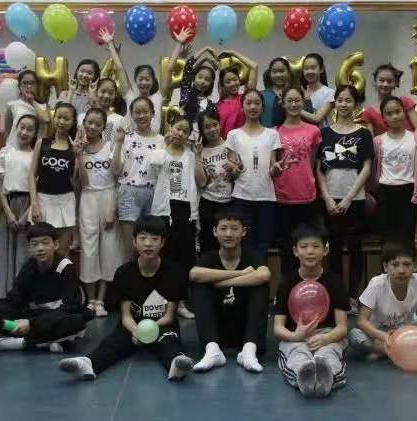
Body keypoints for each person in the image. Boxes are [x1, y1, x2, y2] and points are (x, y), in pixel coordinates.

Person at [58, 215, 194, 382]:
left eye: (154, 239)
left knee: (170, 341)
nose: (148, 243)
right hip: (132, 327)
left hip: (162, 326)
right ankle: (87, 363)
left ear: (162, 242)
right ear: (134, 241)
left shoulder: (174, 273)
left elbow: (169, 316)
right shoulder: (124, 273)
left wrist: (149, 331)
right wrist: (137, 331)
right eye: (143, 238)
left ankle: (177, 365)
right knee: (113, 342)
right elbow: (126, 316)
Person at [0, 222, 93, 352]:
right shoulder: (29, 267)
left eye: (45, 243)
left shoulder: (65, 268)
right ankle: (53, 342)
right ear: (29, 248)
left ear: (56, 245)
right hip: (36, 317)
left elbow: (70, 309)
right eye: (35, 244)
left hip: (60, 317)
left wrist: (32, 324)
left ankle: (22, 343)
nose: (40, 248)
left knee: (77, 321)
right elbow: (14, 300)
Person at [190, 210, 270, 373]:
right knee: (200, 285)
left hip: (245, 330)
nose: (228, 234)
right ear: (215, 231)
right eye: (223, 228)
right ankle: (212, 350)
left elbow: (264, 275)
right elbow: (194, 274)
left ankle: (249, 351)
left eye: (234, 228)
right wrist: (241, 273)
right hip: (217, 331)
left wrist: (222, 283)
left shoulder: (252, 256)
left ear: (243, 232)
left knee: (260, 286)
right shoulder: (208, 258)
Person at [274, 224, 349, 398]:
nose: (310, 251)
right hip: (295, 335)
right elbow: (278, 328)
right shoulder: (286, 282)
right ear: (295, 251)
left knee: (327, 355)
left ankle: (328, 378)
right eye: (304, 247)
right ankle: (303, 378)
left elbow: (342, 327)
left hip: (328, 334)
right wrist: (296, 336)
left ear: (325, 250)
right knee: (298, 354)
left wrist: (327, 338)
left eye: (316, 246)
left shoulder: (335, 281)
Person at [316, 85, 373, 309]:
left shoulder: (363, 133)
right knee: (335, 249)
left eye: (348, 100)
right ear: (335, 103)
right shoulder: (324, 134)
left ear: (356, 105)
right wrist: (327, 198)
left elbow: (367, 168)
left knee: (355, 248)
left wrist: (349, 197)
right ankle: (338, 296)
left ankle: (353, 296)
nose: (343, 104)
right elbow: (319, 169)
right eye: (339, 100)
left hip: (355, 200)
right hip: (330, 199)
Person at [348, 242, 417, 359]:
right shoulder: (376, 284)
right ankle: (415, 351)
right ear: (385, 267)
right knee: (355, 335)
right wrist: (384, 336)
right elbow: (362, 321)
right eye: (395, 265)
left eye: (406, 264)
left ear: (414, 266)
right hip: (381, 332)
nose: (401, 270)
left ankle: (387, 351)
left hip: (408, 331)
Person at [147, 116, 206, 319]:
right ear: (170, 128)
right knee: (164, 257)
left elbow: (202, 181)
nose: (180, 133)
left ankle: (180, 303)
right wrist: (165, 144)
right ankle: (160, 303)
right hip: (164, 211)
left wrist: (198, 156)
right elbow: (152, 167)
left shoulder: (190, 155)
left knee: (184, 259)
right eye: (177, 128)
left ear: (189, 135)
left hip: (185, 211)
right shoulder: (160, 151)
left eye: (185, 131)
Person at [225, 89, 282, 262]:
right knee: (242, 244)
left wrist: (276, 169)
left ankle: (261, 277)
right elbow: (232, 169)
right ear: (242, 107)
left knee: (263, 245)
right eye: (248, 103)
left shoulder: (272, 134)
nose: (253, 107)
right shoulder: (233, 135)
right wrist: (233, 169)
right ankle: (244, 278)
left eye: (257, 103)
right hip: (241, 198)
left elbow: (272, 168)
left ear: (263, 107)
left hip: (266, 199)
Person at [76, 108, 123, 318]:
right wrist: (79, 155)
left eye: (97, 124)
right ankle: (90, 299)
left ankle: (101, 300)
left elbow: (117, 173)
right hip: (88, 198)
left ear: (104, 127)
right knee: (89, 249)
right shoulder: (79, 148)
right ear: (84, 123)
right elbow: (83, 182)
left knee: (109, 249)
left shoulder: (111, 145)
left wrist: (112, 208)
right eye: (89, 122)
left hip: (109, 195)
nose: (92, 126)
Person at [274, 87, 323, 275]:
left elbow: (312, 162)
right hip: (283, 197)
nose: (293, 104)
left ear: (303, 103)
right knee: (286, 248)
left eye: (297, 101)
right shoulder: (275, 132)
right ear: (283, 103)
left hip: (307, 196)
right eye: (290, 101)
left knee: (308, 248)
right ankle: (287, 287)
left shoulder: (313, 131)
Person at [0, 114, 37, 301]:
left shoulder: (35, 155)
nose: (24, 132)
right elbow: (0, 186)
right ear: (16, 128)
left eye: (29, 129)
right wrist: (8, 212)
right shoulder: (6, 152)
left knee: (24, 252)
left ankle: (23, 296)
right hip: (9, 205)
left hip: (28, 205)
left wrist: (26, 214)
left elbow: (37, 187)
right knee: (4, 250)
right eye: (21, 127)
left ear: (35, 133)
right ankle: (3, 294)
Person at [113, 96, 164, 257]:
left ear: (153, 113)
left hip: (154, 195)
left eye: (145, 112)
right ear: (132, 115)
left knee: (151, 246)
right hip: (129, 192)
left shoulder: (162, 141)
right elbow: (116, 170)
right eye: (137, 112)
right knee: (131, 247)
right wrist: (118, 143)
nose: (141, 116)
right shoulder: (125, 137)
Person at [372, 96, 417, 248]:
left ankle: (408, 263)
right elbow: (374, 167)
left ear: (404, 112)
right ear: (383, 117)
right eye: (389, 113)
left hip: (409, 191)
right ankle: (388, 264)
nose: (394, 116)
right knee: (387, 237)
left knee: (407, 236)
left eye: (398, 112)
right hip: (385, 191)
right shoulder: (378, 141)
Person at [29, 101, 81, 255]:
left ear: (73, 122)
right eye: (59, 117)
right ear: (54, 118)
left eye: (66, 118)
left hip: (66, 201)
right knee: (41, 250)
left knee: (62, 251)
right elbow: (32, 175)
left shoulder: (75, 147)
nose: (62, 121)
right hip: (43, 200)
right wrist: (34, 204)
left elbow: (76, 179)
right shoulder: (42, 143)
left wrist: (78, 155)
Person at [99, 28, 164, 132]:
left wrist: (179, 43)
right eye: (140, 79)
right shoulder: (130, 96)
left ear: (153, 81)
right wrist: (110, 43)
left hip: (153, 140)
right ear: (135, 81)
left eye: (147, 79)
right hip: (130, 139)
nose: (144, 82)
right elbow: (120, 70)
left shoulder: (157, 97)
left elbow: (169, 70)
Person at [165, 28, 218, 143]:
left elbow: (212, 128)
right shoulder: (186, 92)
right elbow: (189, 65)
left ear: (211, 84)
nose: (202, 81)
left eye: (207, 79)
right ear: (194, 78)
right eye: (200, 77)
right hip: (180, 140)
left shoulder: (211, 105)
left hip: (198, 145)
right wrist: (205, 49)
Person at [197, 110, 234, 253]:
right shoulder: (200, 150)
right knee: (208, 241)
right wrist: (197, 157)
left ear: (220, 124)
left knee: (227, 241)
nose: (212, 129)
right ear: (202, 130)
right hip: (208, 203)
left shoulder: (230, 146)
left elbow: (238, 174)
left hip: (229, 203)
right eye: (207, 127)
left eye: (214, 125)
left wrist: (234, 169)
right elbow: (201, 182)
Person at [360, 64, 417, 136]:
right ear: (375, 82)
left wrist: (413, 141)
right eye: (382, 80)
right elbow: (371, 139)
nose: (385, 84)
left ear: (396, 83)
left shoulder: (405, 102)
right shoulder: (369, 113)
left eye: (389, 81)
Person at [215, 50, 258, 138]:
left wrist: (233, 53)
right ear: (223, 85)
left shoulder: (245, 98)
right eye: (228, 82)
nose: (233, 84)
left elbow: (254, 66)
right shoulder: (217, 106)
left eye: (235, 80)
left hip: (245, 143)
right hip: (226, 145)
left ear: (239, 80)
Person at [4, 69, 50, 147]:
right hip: (14, 147)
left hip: (36, 149)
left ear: (36, 86)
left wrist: (32, 102)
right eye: (25, 83)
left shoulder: (43, 107)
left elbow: (46, 119)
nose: (28, 86)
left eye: (32, 83)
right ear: (19, 86)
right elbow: (8, 130)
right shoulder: (12, 106)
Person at [77, 78, 126, 142]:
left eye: (110, 93)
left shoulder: (119, 120)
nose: (106, 96)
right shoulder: (82, 117)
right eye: (103, 92)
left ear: (115, 95)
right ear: (96, 92)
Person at [299, 53, 335, 128]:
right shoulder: (299, 92)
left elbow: (317, 118)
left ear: (321, 69)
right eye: (306, 68)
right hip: (302, 134)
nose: (309, 71)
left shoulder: (329, 93)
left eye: (313, 68)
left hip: (322, 134)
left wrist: (293, 108)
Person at [260, 57, 292, 128]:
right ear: (270, 73)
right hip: (267, 133)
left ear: (289, 72)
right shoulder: (262, 95)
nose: (278, 75)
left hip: (291, 133)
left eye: (282, 71)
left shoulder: (296, 94)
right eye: (274, 72)